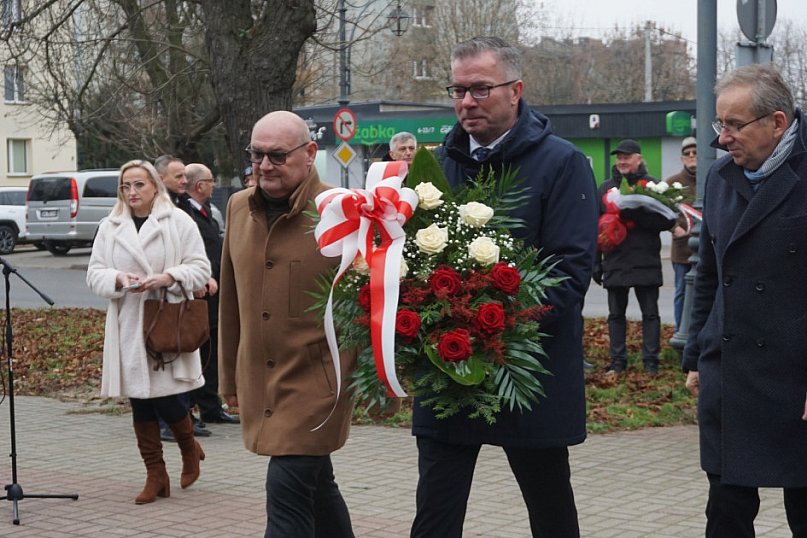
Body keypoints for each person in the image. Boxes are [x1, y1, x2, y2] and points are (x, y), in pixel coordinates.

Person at [411, 36, 597, 538]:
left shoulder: (562, 164)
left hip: (526, 373)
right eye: (458, 90)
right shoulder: (435, 167)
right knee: (434, 513)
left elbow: (570, 272)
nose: (466, 102)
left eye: (480, 89)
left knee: (550, 508)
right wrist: (428, 325)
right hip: (447, 366)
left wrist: (492, 333)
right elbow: (409, 264)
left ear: (516, 90)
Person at [218, 110, 357, 537]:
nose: (264, 166)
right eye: (256, 155)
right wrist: (229, 380)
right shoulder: (239, 208)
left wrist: (371, 386)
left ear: (310, 153)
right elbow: (231, 302)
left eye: (277, 156)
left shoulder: (342, 211)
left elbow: (366, 305)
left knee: (287, 488)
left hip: (319, 385)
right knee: (317, 487)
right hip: (261, 378)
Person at [683, 64, 807, 537]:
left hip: (796, 378)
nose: (723, 138)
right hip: (731, 371)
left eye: (735, 125)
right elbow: (709, 275)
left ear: (778, 123)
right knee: (726, 512)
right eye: (720, 124)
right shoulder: (719, 178)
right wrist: (695, 354)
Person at [86, 159, 210, 504]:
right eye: (125, 186)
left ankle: (188, 447)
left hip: (167, 319)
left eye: (139, 184)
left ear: (155, 185)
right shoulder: (110, 226)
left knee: (167, 395)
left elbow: (201, 267)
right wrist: (118, 279)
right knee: (139, 399)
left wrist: (169, 277)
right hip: (129, 322)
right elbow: (94, 273)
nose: (132, 192)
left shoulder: (178, 222)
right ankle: (156, 475)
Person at [595, 139, 675, 376]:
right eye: (619, 157)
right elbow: (595, 228)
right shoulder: (606, 189)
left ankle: (651, 362)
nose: (622, 161)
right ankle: (617, 362)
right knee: (615, 315)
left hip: (645, 260)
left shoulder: (653, 187)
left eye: (627, 156)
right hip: (615, 261)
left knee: (650, 314)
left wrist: (637, 214)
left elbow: (667, 220)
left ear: (639, 158)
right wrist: (595, 263)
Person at [153, 154, 212, 440]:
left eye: (185, 176)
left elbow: (191, 251)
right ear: (161, 179)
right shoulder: (153, 212)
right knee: (167, 358)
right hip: (159, 300)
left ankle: (185, 415)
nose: (184, 181)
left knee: (185, 354)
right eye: (178, 177)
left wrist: (198, 276)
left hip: (182, 294)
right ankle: (170, 421)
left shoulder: (180, 207)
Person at [184, 163, 239, 425]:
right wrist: (204, 276)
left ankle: (211, 406)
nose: (213, 185)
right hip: (201, 293)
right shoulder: (186, 214)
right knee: (202, 351)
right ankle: (195, 405)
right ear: (198, 185)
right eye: (210, 180)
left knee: (212, 350)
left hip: (215, 292)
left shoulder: (205, 211)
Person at [664, 136, 697, 331]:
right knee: (682, 294)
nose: (692, 156)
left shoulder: (712, 177)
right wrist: (674, 227)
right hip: (682, 250)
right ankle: (680, 333)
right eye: (687, 154)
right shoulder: (672, 182)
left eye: (695, 152)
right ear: (682, 158)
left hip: (707, 249)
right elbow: (664, 211)